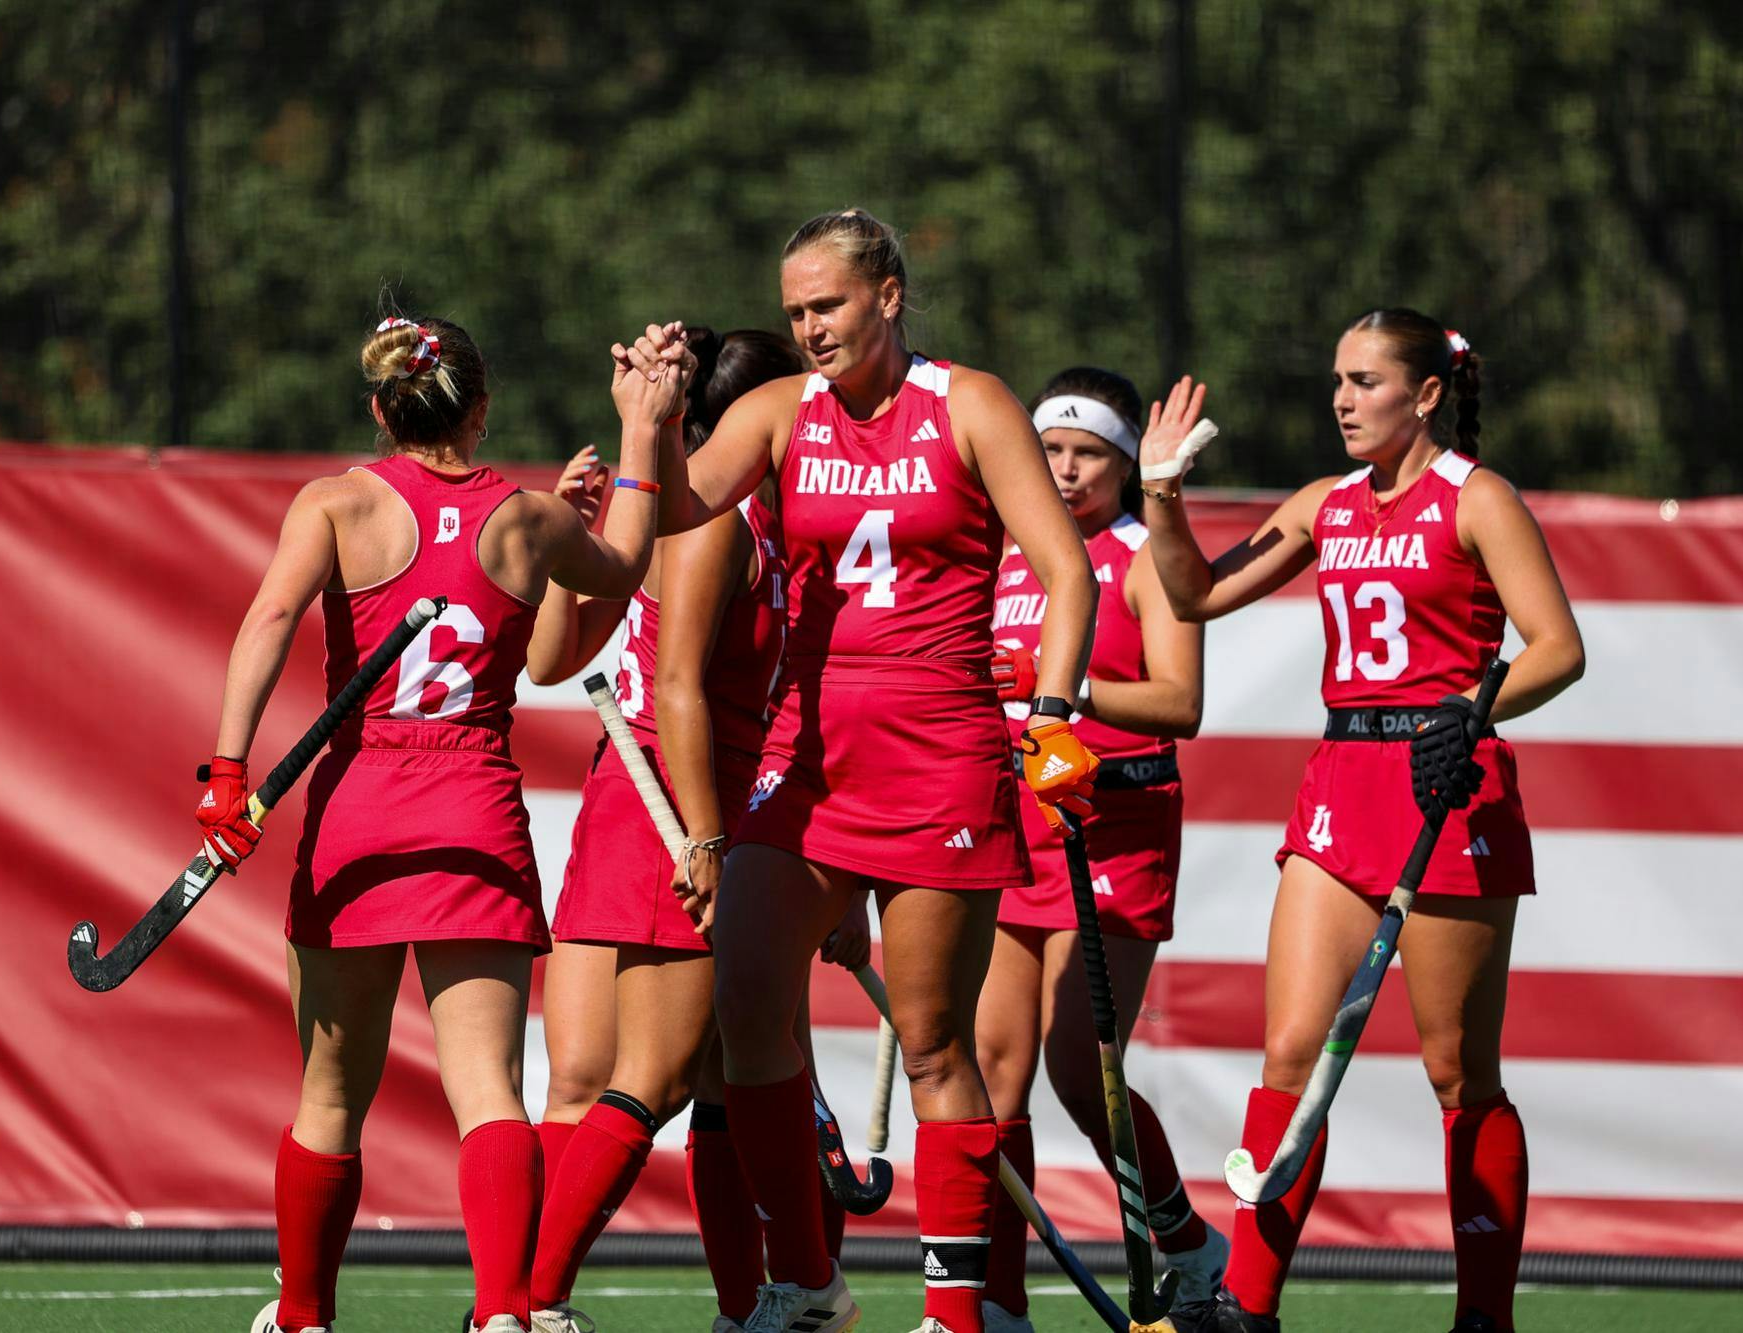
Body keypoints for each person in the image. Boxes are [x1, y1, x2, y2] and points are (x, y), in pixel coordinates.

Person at [615, 209, 1100, 1333]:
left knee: (934, 1044)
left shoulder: (968, 403)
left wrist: (1055, 714)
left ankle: (951, 1310)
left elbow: (1064, 574)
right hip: (808, 755)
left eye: (825, 305)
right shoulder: (776, 412)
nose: (808, 328)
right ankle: (808, 1278)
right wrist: (647, 424)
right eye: (793, 312)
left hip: (941, 755)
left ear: (886, 295)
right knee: (744, 1006)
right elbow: (682, 509)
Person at [191, 313, 682, 1333]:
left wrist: (227, 773)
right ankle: (504, 1314)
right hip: (473, 807)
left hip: (359, 808)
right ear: (482, 408)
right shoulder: (528, 518)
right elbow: (626, 563)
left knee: (330, 1094)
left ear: (380, 410)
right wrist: (637, 440)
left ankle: (300, 1317)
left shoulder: (334, 502)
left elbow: (271, 618)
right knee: (491, 1093)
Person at [1133, 310, 1585, 1333]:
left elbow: (1556, 646)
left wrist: (1470, 714)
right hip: (1342, 779)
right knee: (1289, 1052)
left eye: (1365, 380)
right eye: (1335, 379)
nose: (1341, 399)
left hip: (1445, 787)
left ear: (1424, 394)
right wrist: (1160, 491)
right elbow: (1194, 594)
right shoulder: (1323, 504)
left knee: (1455, 1071)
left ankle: (1481, 1316)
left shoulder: (1478, 499)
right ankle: (1246, 1303)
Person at [519, 330, 871, 1333]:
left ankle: (745, 1303)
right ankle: (522, 1299)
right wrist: (708, 839)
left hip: (657, 797)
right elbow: (660, 684)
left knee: (708, 1075)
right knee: (649, 1076)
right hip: (680, 801)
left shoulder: (672, 508)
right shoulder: (712, 520)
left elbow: (558, 661)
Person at [971, 368, 1226, 1332]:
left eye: (1087, 454)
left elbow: (1179, 704)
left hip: (1113, 823)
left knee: (1082, 1068)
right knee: (994, 1067)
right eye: (1051, 452)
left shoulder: (1139, 558)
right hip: (1011, 825)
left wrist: (1057, 685)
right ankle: (996, 1299)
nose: (1066, 470)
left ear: (1124, 464)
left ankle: (1187, 1245)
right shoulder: (1005, 554)